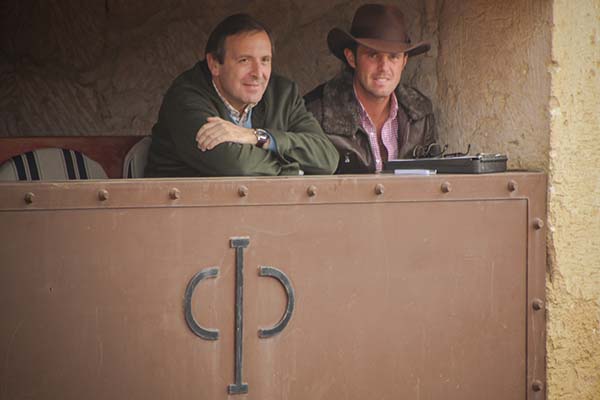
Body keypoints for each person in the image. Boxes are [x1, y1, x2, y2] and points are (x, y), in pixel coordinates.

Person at [145, 13, 339, 177]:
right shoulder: (186, 97)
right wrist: (294, 170)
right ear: (214, 64)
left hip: (258, 208)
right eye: (244, 60)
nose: (258, 73)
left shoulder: (282, 93)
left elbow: (327, 158)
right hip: (187, 208)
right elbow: (235, 166)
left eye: (265, 60)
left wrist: (258, 137)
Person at [304, 4, 437, 174]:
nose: (384, 67)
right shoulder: (315, 114)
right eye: (373, 55)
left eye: (393, 57)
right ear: (351, 58)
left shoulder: (421, 115)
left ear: (404, 61)